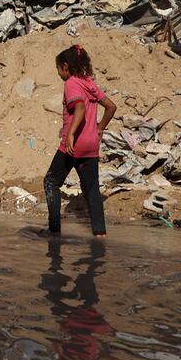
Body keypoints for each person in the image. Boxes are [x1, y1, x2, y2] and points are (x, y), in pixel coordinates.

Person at [44, 45, 117, 238]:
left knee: (51, 182)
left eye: (58, 69)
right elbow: (111, 107)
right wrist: (99, 128)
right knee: (92, 189)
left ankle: (54, 232)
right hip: (92, 145)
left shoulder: (71, 84)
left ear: (65, 66)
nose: (59, 74)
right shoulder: (89, 82)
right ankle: (100, 234)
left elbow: (80, 108)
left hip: (73, 145)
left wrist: (70, 134)